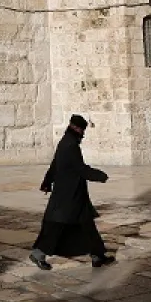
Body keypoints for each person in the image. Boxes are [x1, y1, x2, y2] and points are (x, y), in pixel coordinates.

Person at [29, 114, 114, 270]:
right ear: (76, 128)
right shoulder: (70, 146)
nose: (83, 134)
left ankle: (98, 256)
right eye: (82, 130)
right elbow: (79, 168)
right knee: (56, 226)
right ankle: (38, 254)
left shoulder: (65, 142)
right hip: (68, 195)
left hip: (74, 195)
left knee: (87, 226)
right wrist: (99, 175)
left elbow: (55, 164)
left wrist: (47, 182)